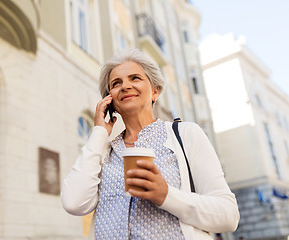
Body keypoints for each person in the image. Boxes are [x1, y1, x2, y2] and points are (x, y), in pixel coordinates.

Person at [61, 49, 239, 239]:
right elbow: (73, 203)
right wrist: (99, 132)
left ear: (155, 91)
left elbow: (229, 215)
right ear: (110, 100)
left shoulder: (186, 135)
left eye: (135, 78)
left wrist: (166, 195)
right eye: (116, 83)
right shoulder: (103, 150)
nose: (125, 86)